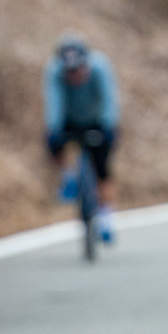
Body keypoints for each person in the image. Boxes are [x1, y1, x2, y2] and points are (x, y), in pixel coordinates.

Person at [42, 33, 119, 242]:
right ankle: (68, 177)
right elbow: (53, 102)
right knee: (51, 142)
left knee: (102, 167)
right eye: (70, 71)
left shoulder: (100, 68)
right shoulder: (54, 72)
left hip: (97, 120)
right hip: (70, 120)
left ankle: (106, 216)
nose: (74, 75)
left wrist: (109, 125)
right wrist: (53, 128)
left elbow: (109, 99)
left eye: (78, 69)